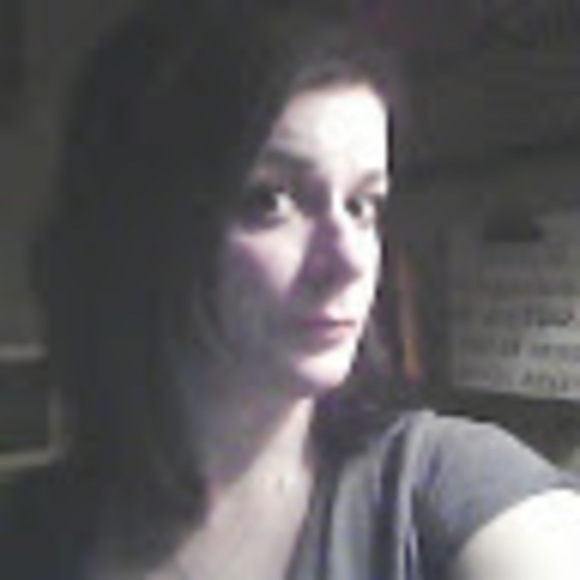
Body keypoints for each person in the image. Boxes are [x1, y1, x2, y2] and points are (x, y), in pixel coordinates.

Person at [5, 1, 579, 579]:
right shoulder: (27, 532)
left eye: (363, 204)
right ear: (134, 230)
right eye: (269, 200)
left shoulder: (442, 485)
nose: (350, 261)